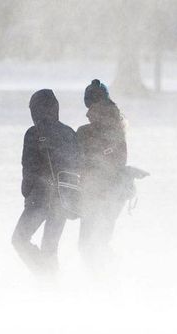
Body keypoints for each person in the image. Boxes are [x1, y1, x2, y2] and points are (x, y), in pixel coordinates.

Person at [12, 89, 77, 275]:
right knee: (50, 247)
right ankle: (52, 282)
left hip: (39, 199)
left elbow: (29, 168)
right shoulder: (69, 133)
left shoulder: (33, 133)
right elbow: (78, 165)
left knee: (19, 239)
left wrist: (27, 193)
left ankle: (45, 277)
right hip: (63, 200)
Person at [76, 80, 128, 267]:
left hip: (95, 194)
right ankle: (113, 275)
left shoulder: (85, 132)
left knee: (87, 245)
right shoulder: (119, 125)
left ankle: (106, 277)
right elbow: (119, 160)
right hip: (115, 194)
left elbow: (78, 161)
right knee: (100, 242)